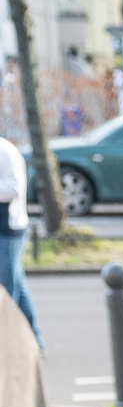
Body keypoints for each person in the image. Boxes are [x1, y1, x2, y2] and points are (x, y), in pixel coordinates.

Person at [0, 134, 37, 347]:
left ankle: (9, 347)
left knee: (7, 291)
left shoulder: (5, 152)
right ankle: (35, 342)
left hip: (9, 230)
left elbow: (13, 188)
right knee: (18, 287)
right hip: (4, 228)